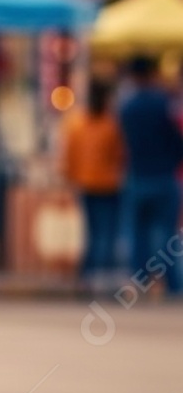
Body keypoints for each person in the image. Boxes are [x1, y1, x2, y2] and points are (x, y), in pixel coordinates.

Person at [118, 56, 183, 295]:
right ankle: (172, 284)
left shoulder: (127, 107)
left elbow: (122, 142)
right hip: (164, 175)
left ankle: (141, 281)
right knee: (167, 234)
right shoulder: (164, 104)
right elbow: (177, 139)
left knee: (138, 233)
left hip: (137, 175)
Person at [61, 80, 124, 286]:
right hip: (108, 183)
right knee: (107, 231)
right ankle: (103, 273)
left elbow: (70, 155)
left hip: (85, 183)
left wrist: (70, 178)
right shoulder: (111, 125)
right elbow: (119, 155)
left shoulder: (77, 124)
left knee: (92, 231)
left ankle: (89, 274)